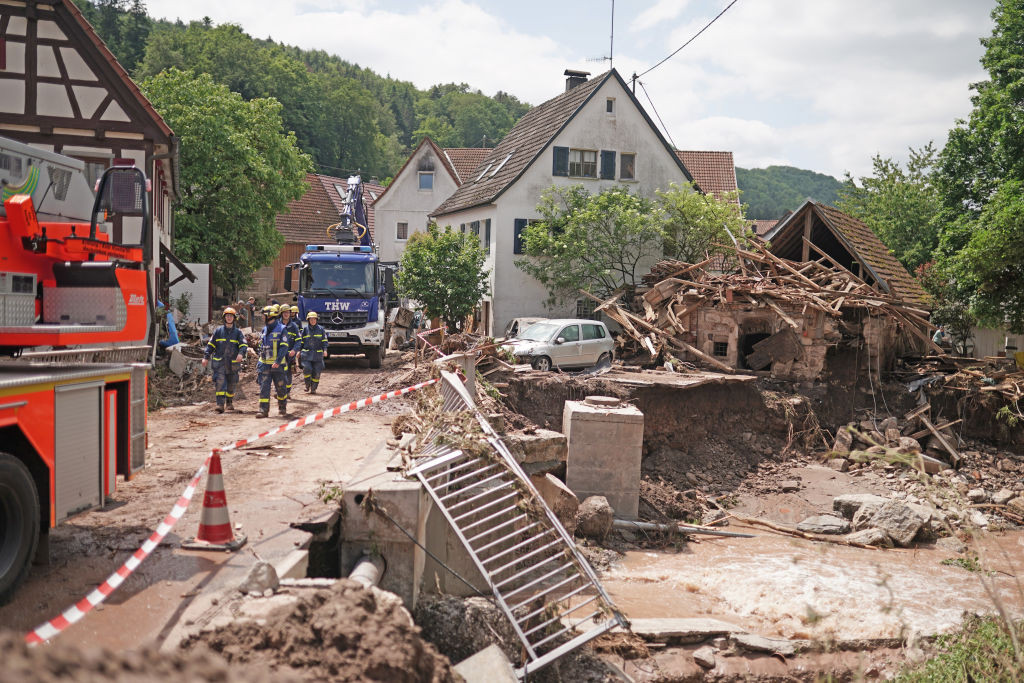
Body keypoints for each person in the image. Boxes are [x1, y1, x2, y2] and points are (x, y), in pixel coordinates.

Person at [202, 307, 247, 413]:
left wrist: (241, 354)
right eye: (227, 316)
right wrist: (206, 357)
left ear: (234, 318)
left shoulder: (238, 333)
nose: (229, 318)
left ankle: (229, 402)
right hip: (220, 363)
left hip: (233, 364)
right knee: (220, 383)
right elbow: (210, 345)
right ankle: (220, 405)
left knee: (232, 383)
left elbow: (243, 345)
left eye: (231, 316)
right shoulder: (218, 331)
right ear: (224, 318)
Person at [256, 304, 290, 418]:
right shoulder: (264, 329)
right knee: (264, 387)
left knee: (280, 387)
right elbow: (262, 346)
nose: (262, 317)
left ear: (270, 316)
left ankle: (282, 407)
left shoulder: (282, 329)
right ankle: (263, 410)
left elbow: (284, 347)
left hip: (277, 365)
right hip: (265, 364)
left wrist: (278, 360)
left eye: (263, 315)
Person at [300, 311, 328, 393]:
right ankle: (307, 385)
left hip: (317, 355)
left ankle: (313, 388)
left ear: (316, 320)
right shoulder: (305, 330)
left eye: (314, 319)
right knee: (307, 369)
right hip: (306, 354)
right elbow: (301, 342)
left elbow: (324, 341)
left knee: (317, 372)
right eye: (311, 319)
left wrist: (325, 350)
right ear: (308, 320)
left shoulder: (321, 329)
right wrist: (298, 351)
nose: (312, 321)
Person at [279, 305, 301, 399]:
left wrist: (294, 350)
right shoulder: (277, 325)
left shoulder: (294, 326)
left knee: (288, 374)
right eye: (284, 313)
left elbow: (298, 340)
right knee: (279, 373)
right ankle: (279, 391)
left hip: (289, 355)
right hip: (279, 355)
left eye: (288, 312)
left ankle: (287, 392)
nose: (286, 314)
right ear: (281, 314)